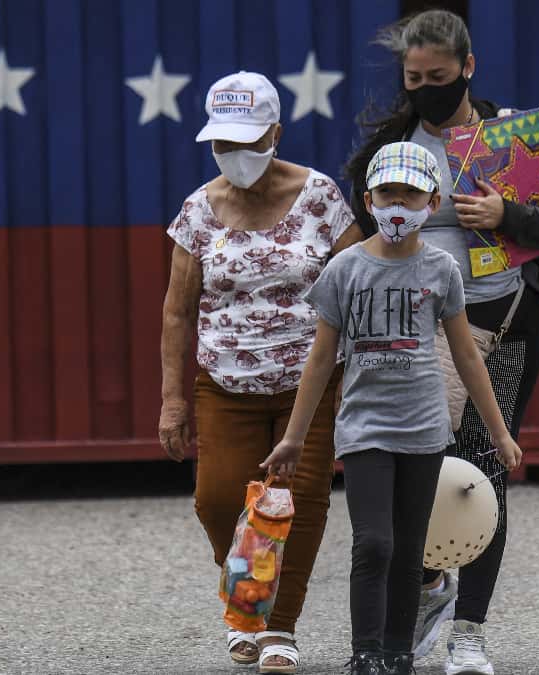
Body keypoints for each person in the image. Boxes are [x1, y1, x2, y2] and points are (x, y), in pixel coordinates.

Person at [344, 10, 539, 675]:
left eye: (439, 77)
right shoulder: (390, 147)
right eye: (414, 78)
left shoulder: (508, 139)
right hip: (413, 337)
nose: (425, 88)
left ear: (468, 69)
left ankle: (469, 635)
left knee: (480, 479)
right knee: (412, 482)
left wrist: (507, 214)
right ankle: (426, 588)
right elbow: (364, 233)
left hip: (503, 325)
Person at [261, 141, 523, 675]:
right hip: (364, 426)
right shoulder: (345, 270)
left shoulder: (442, 269)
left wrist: (498, 431)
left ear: (432, 203)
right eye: (387, 192)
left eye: (410, 193)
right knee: (374, 542)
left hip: (424, 428)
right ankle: (365, 653)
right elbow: (319, 361)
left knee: (410, 548)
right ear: (368, 199)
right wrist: (293, 436)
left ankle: (398, 654)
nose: (398, 205)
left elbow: (468, 357)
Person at [159, 71, 361, 674]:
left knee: (297, 504)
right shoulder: (199, 209)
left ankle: (276, 629)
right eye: (223, 144)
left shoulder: (321, 197)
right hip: (225, 384)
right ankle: (247, 596)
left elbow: (356, 282)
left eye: (247, 142)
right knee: (217, 500)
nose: (235, 156)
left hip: (311, 384)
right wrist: (173, 401)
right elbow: (176, 310)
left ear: (276, 131)